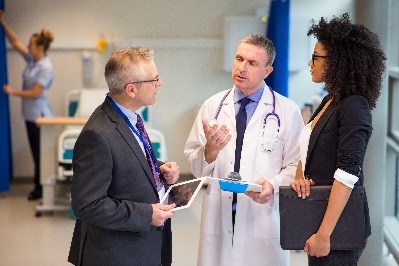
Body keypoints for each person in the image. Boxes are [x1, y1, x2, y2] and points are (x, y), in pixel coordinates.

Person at [184, 34, 304, 265]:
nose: (242, 68)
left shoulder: (287, 111)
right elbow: (195, 165)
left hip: (262, 213)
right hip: (220, 211)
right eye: (239, 59)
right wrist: (209, 151)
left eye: (252, 63)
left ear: (267, 72)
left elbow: (296, 166)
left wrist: (273, 185)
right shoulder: (213, 107)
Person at [67, 46, 180, 266]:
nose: (159, 84)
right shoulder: (97, 134)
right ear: (131, 90)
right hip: (117, 255)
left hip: (140, 247)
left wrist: (159, 169)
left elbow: (127, 157)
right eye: (154, 79)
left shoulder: (128, 118)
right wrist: (145, 215)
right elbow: (87, 205)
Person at [290, 13, 386, 265]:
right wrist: (301, 178)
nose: (310, 64)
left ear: (335, 62)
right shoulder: (330, 100)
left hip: (337, 228)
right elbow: (310, 150)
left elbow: (347, 173)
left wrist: (324, 234)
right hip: (319, 217)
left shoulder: (354, 106)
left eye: (315, 57)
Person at [0, 10, 54, 200]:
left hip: (40, 116)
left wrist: (12, 91)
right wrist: (3, 23)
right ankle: (39, 187)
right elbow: (15, 43)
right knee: (36, 153)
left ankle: (40, 189)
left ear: (39, 47)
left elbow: (34, 93)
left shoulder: (45, 67)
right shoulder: (33, 60)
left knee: (40, 155)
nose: (27, 46)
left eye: (30, 44)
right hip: (30, 114)